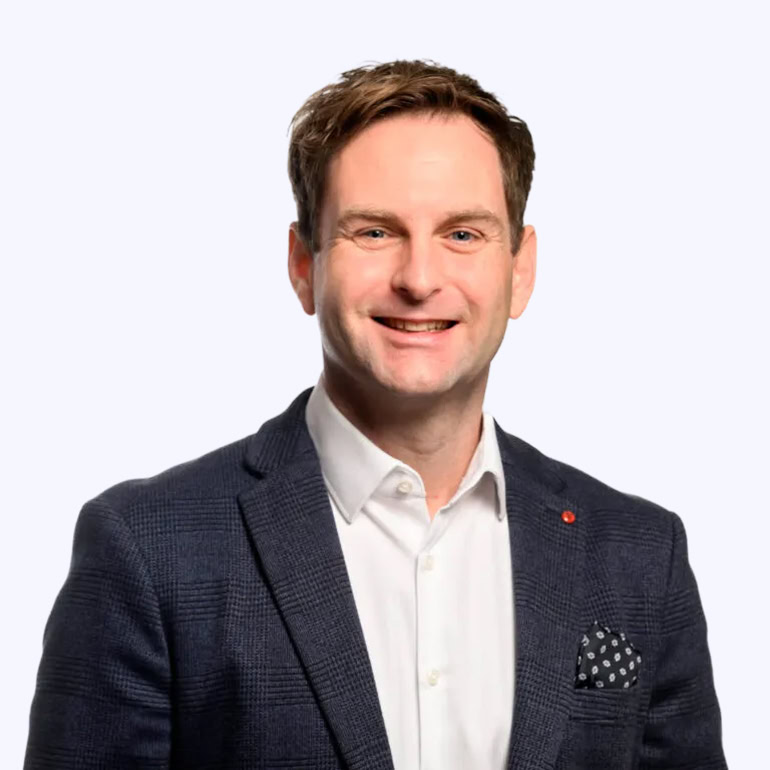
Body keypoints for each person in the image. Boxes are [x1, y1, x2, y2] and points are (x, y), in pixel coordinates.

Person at [24, 59, 727, 769]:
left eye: (463, 234)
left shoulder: (642, 557)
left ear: (520, 270)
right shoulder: (149, 552)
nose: (419, 279)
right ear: (304, 264)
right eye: (374, 232)